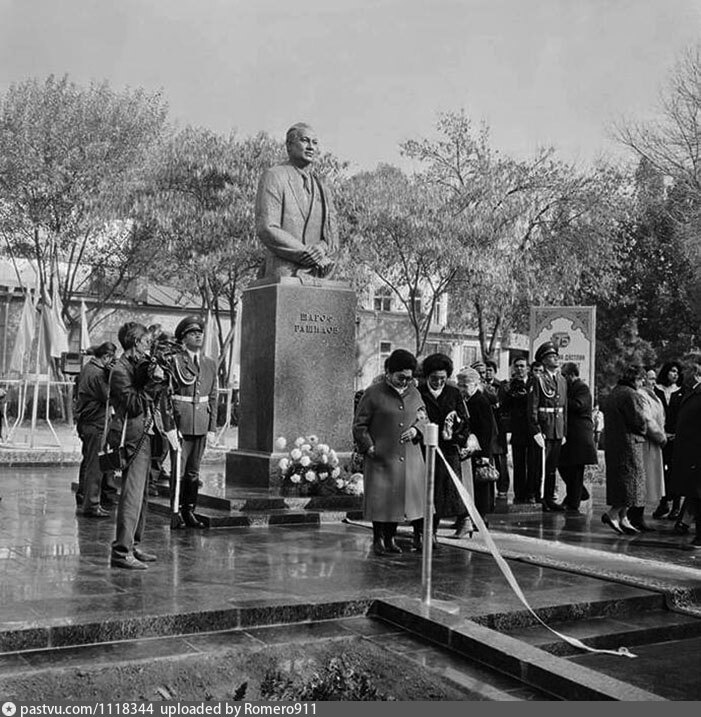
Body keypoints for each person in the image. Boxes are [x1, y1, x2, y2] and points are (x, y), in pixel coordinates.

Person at [108, 322, 173, 569]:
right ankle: (121, 551)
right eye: (146, 342)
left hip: (146, 434)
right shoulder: (120, 370)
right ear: (135, 343)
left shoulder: (137, 366)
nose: (148, 347)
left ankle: (133, 544)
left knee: (142, 493)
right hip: (131, 436)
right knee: (132, 493)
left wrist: (158, 380)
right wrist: (149, 383)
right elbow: (134, 405)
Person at [353, 349, 427, 556]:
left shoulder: (415, 392)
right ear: (388, 372)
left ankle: (391, 538)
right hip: (381, 456)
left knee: (399, 500)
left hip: (409, 457)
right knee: (381, 499)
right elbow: (359, 425)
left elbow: (423, 418)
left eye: (409, 378)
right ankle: (378, 539)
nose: (405, 382)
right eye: (400, 377)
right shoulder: (373, 393)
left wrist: (416, 430)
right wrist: (369, 446)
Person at [255, 122, 339, 279]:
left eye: (314, 143)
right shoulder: (274, 176)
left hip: (318, 273)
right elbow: (267, 227)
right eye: (305, 140)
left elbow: (331, 237)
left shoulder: (323, 188)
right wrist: (304, 252)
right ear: (289, 145)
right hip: (284, 273)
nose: (311, 147)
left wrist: (320, 250)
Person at [170, 316, 219, 529]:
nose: (198, 336)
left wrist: (212, 427)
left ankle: (190, 510)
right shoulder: (175, 361)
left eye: (199, 333)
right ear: (183, 338)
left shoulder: (209, 363)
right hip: (182, 422)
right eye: (192, 333)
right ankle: (176, 512)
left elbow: (214, 396)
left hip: (201, 422)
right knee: (179, 471)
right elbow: (168, 395)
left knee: (193, 472)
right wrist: (171, 426)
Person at [418, 353, 471, 548]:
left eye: (443, 378)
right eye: (434, 378)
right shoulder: (419, 392)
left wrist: (457, 435)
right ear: (427, 376)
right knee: (425, 492)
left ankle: (434, 530)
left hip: (447, 451)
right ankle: (424, 531)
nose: (439, 382)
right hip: (423, 449)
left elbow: (464, 421)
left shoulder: (453, 393)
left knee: (442, 493)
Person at [601, 365, 648, 536]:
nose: (642, 382)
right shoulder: (631, 394)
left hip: (614, 443)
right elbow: (638, 421)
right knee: (631, 482)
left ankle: (623, 517)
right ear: (635, 379)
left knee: (621, 480)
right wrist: (644, 429)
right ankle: (613, 513)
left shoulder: (615, 392)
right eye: (641, 379)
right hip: (629, 443)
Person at [75, 341, 119, 516]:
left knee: (88, 461)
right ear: (106, 357)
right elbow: (108, 396)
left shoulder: (87, 368)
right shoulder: (97, 373)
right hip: (96, 422)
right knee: (95, 465)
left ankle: (86, 497)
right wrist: (113, 376)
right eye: (111, 359)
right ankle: (92, 504)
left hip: (88, 422)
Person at [527, 342, 567, 512]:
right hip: (545, 427)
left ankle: (550, 497)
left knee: (552, 467)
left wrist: (564, 431)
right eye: (551, 356)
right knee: (542, 467)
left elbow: (565, 409)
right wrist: (536, 430)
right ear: (543, 360)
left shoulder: (561, 379)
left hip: (557, 428)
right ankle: (540, 497)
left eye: (556, 356)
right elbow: (533, 406)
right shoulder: (538, 379)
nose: (555, 358)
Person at [456, 366, 498, 524]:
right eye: (459, 385)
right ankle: (466, 517)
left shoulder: (481, 401)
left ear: (475, 384)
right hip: (468, 449)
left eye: (465, 386)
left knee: (480, 486)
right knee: (467, 484)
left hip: (479, 450)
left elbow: (487, 430)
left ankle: (480, 518)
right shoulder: (465, 400)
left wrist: (485, 456)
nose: (461, 389)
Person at [557, 362, 598, 515]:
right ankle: (579, 492)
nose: (563, 378)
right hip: (570, 435)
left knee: (575, 469)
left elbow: (579, 405)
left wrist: (561, 400)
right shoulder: (568, 388)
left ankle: (573, 502)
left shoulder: (582, 388)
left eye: (564, 375)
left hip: (579, 435)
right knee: (563, 465)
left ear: (572, 375)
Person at [670, 363, 701, 549]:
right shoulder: (691, 393)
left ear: (696, 375)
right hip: (689, 453)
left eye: (686, 373)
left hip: (696, 454)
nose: (682, 376)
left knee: (698, 495)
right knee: (694, 495)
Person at [633, 368, 667, 531]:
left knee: (648, 481)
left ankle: (638, 515)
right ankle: (636, 516)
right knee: (644, 481)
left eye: (655, 378)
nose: (653, 381)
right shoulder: (641, 395)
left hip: (654, 443)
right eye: (650, 378)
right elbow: (647, 420)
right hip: (647, 443)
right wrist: (661, 437)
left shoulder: (654, 396)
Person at [652, 361, 685, 520]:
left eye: (677, 372)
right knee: (660, 470)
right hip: (659, 435)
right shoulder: (656, 390)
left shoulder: (682, 391)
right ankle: (663, 502)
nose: (675, 374)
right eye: (672, 371)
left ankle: (676, 506)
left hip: (676, 437)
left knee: (675, 470)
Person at [499, 357, 531, 503]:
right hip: (518, 429)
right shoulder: (508, 386)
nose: (519, 369)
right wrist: (510, 393)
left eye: (522, 366)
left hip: (533, 429)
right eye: (516, 366)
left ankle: (531, 494)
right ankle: (519, 494)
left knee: (533, 464)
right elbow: (504, 407)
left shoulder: (534, 383)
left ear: (527, 368)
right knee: (518, 464)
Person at [483, 359, 509, 499]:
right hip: (486, 425)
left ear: (495, 371)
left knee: (500, 458)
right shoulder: (479, 385)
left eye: (490, 370)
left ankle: (503, 487)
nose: (487, 373)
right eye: (485, 370)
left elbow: (504, 405)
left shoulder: (501, 386)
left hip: (498, 426)